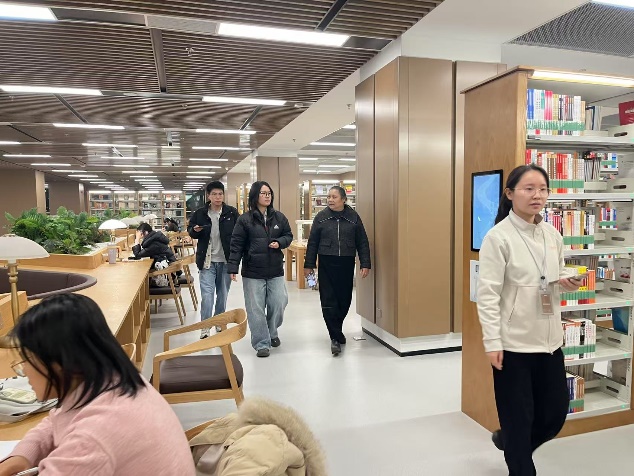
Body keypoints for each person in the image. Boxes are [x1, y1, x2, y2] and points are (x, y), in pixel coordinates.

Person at [0, 293, 195, 476]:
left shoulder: (94, 434)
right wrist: (22, 455)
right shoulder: (113, 380)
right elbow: (56, 419)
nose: (23, 370)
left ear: (60, 363)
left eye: (28, 359)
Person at [477, 164, 583, 476]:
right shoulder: (498, 238)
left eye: (543, 189)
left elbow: (554, 275)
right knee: (518, 418)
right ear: (510, 194)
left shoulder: (552, 235)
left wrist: (567, 281)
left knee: (553, 415)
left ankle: (510, 442)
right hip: (513, 345)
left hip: (550, 341)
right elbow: (488, 294)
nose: (537, 195)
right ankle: (519, 458)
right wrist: (492, 341)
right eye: (529, 188)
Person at [227, 181, 293, 358]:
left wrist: (280, 242)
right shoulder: (244, 220)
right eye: (263, 193)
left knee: (279, 302)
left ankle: (272, 331)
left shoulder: (279, 217)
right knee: (255, 308)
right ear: (255, 196)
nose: (267, 196)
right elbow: (236, 244)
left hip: (275, 270)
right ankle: (261, 343)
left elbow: (288, 235)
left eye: (269, 193)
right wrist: (233, 267)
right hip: (253, 272)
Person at [303, 186, 371, 356]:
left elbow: (362, 241)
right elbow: (312, 243)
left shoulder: (353, 217)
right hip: (326, 262)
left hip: (346, 262)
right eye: (329, 197)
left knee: (344, 299)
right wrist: (308, 265)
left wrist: (365, 263)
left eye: (334, 197)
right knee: (328, 299)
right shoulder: (321, 217)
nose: (330, 200)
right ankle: (334, 336)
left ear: (343, 199)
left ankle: (337, 329)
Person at [188, 181, 239, 339]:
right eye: (214, 194)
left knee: (222, 295)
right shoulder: (200, 213)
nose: (218, 197)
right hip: (207, 261)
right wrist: (195, 231)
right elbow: (191, 231)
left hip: (225, 261)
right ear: (208, 196)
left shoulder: (231, 213)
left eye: (220, 194)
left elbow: (239, 235)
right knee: (207, 295)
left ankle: (219, 322)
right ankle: (205, 327)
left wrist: (235, 261)